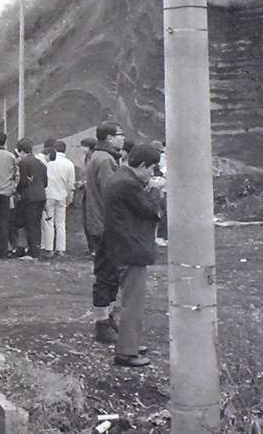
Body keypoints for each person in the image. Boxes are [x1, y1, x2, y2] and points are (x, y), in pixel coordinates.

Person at [103, 143, 161, 367]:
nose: (152, 173)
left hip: (122, 246)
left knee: (131, 300)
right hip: (132, 248)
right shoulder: (129, 184)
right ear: (143, 164)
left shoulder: (120, 178)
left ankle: (133, 342)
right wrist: (155, 191)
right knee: (133, 302)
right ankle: (127, 352)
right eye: (152, 168)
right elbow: (149, 210)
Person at [86, 121, 125, 343]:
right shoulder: (106, 160)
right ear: (109, 138)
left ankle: (107, 317)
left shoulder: (100, 157)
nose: (122, 138)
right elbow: (113, 192)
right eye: (119, 135)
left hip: (100, 222)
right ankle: (103, 322)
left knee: (108, 272)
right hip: (106, 224)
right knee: (107, 274)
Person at [42, 140, 76, 258]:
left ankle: (48, 248)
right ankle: (61, 249)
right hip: (62, 195)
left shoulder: (49, 163)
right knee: (61, 223)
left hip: (49, 194)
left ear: (54, 149)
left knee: (48, 222)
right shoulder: (69, 164)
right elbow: (71, 183)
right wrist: (70, 196)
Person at [15, 138, 47, 259]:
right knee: (36, 224)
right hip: (41, 195)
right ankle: (35, 250)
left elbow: (23, 181)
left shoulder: (23, 163)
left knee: (29, 224)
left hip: (29, 196)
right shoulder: (41, 163)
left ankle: (32, 253)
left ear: (22, 151)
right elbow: (45, 182)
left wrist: (17, 190)